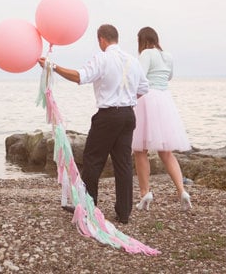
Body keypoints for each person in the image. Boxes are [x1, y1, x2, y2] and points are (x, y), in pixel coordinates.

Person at [38, 24, 149, 225]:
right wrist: (127, 100)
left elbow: (80, 77)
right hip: (128, 115)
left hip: (108, 116)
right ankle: (124, 213)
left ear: (101, 40)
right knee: (123, 164)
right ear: (116, 38)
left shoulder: (102, 58)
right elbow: (144, 88)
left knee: (92, 159)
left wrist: (53, 67)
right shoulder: (133, 60)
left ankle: (88, 207)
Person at [132, 26, 192, 211]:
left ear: (142, 41)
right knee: (166, 152)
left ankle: (145, 193)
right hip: (164, 99)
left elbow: (139, 77)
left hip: (146, 99)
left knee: (140, 150)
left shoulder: (146, 54)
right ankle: (182, 191)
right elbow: (169, 76)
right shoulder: (168, 56)